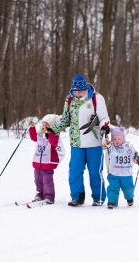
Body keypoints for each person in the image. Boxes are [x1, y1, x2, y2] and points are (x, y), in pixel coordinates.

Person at [49, 74, 110, 207]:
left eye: (81, 90)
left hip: (94, 142)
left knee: (95, 172)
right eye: (76, 91)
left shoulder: (96, 98)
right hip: (76, 143)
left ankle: (98, 197)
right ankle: (77, 197)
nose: (79, 93)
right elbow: (66, 119)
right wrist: (52, 129)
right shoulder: (69, 99)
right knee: (74, 171)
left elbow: (104, 117)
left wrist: (105, 126)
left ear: (86, 87)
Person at [102, 127, 139, 209]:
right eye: (114, 139)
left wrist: (138, 160)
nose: (117, 140)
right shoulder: (110, 146)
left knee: (128, 189)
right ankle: (112, 202)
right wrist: (106, 135)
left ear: (123, 138)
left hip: (126, 174)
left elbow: (134, 155)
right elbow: (104, 144)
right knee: (113, 188)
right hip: (113, 174)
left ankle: (130, 198)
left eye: (119, 138)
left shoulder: (128, 146)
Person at [28, 114, 65, 204]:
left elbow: (53, 142)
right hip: (38, 162)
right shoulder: (40, 134)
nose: (44, 126)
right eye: (43, 124)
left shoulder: (54, 135)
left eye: (46, 125)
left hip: (48, 162)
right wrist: (32, 128)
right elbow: (33, 137)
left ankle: (49, 196)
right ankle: (40, 193)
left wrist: (49, 132)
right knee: (37, 179)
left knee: (47, 180)